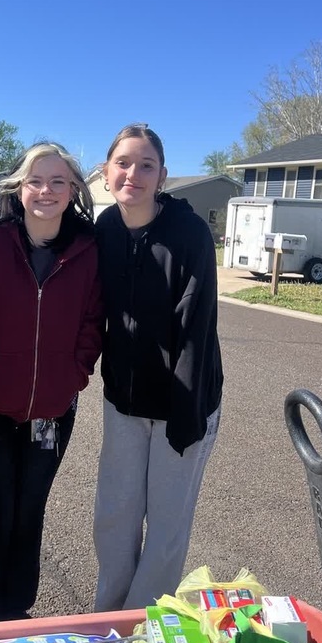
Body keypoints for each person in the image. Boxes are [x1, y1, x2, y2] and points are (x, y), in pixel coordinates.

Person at [0, 143, 104, 624]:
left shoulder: (87, 250)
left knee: (30, 512)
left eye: (58, 182)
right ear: (18, 188)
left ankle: (17, 614)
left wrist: (72, 376)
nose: (46, 191)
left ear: (73, 190)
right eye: (36, 181)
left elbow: (92, 323)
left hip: (53, 414)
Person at [93, 123, 223, 612]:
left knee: (166, 526)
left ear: (163, 176)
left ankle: (142, 626)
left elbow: (196, 329)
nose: (134, 173)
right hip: (124, 403)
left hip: (182, 403)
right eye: (123, 163)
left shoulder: (188, 234)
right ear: (106, 173)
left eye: (146, 165)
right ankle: (108, 619)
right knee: (115, 516)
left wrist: (186, 417)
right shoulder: (104, 230)